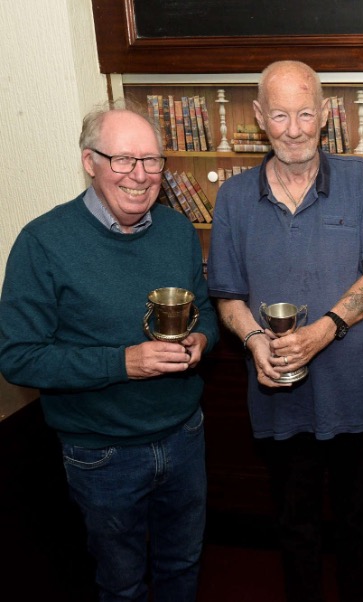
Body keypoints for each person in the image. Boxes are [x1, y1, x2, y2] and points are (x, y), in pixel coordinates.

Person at [0, 105, 218, 600]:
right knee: (121, 586)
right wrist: (125, 363)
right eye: (122, 160)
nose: (140, 176)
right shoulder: (43, 242)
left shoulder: (177, 231)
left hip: (185, 436)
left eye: (152, 160)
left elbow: (203, 310)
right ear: (88, 161)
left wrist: (202, 339)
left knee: (183, 565)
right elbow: (19, 357)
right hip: (102, 452)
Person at [206, 60, 363, 602]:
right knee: (294, 527)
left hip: (356, 393)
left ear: (326, 113)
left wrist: (325, 329)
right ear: (260, 117)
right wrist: (253, 340)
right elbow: (227, 294)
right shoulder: (234, 197)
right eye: (280, 114)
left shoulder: (361, 180)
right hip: (278, 394)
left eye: (305, 113)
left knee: (360, 528)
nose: (294, 128)